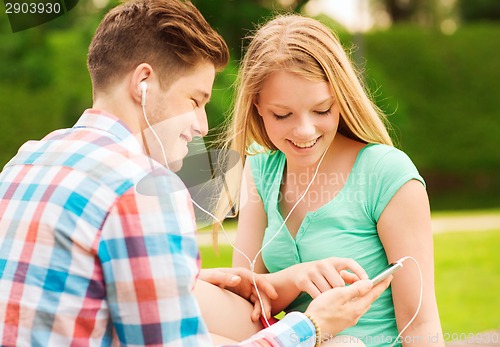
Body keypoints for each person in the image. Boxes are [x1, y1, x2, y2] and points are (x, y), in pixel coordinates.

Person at [0, 1, 392, 346]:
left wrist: (191, 282)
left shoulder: (25, 162)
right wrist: (312, 327)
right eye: (195, 100)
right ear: (143, 83)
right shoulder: (146, 189)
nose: (203, 125)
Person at [210, 14, 445, 347]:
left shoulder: (385, 173)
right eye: (283, 114)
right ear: (257, 106)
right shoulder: (261, 169)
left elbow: (420, 320)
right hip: (296, 339)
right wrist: (297, 278)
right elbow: (250, 300)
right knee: (197, 300)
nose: (305, 131)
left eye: (321, 110)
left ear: (341, 98)